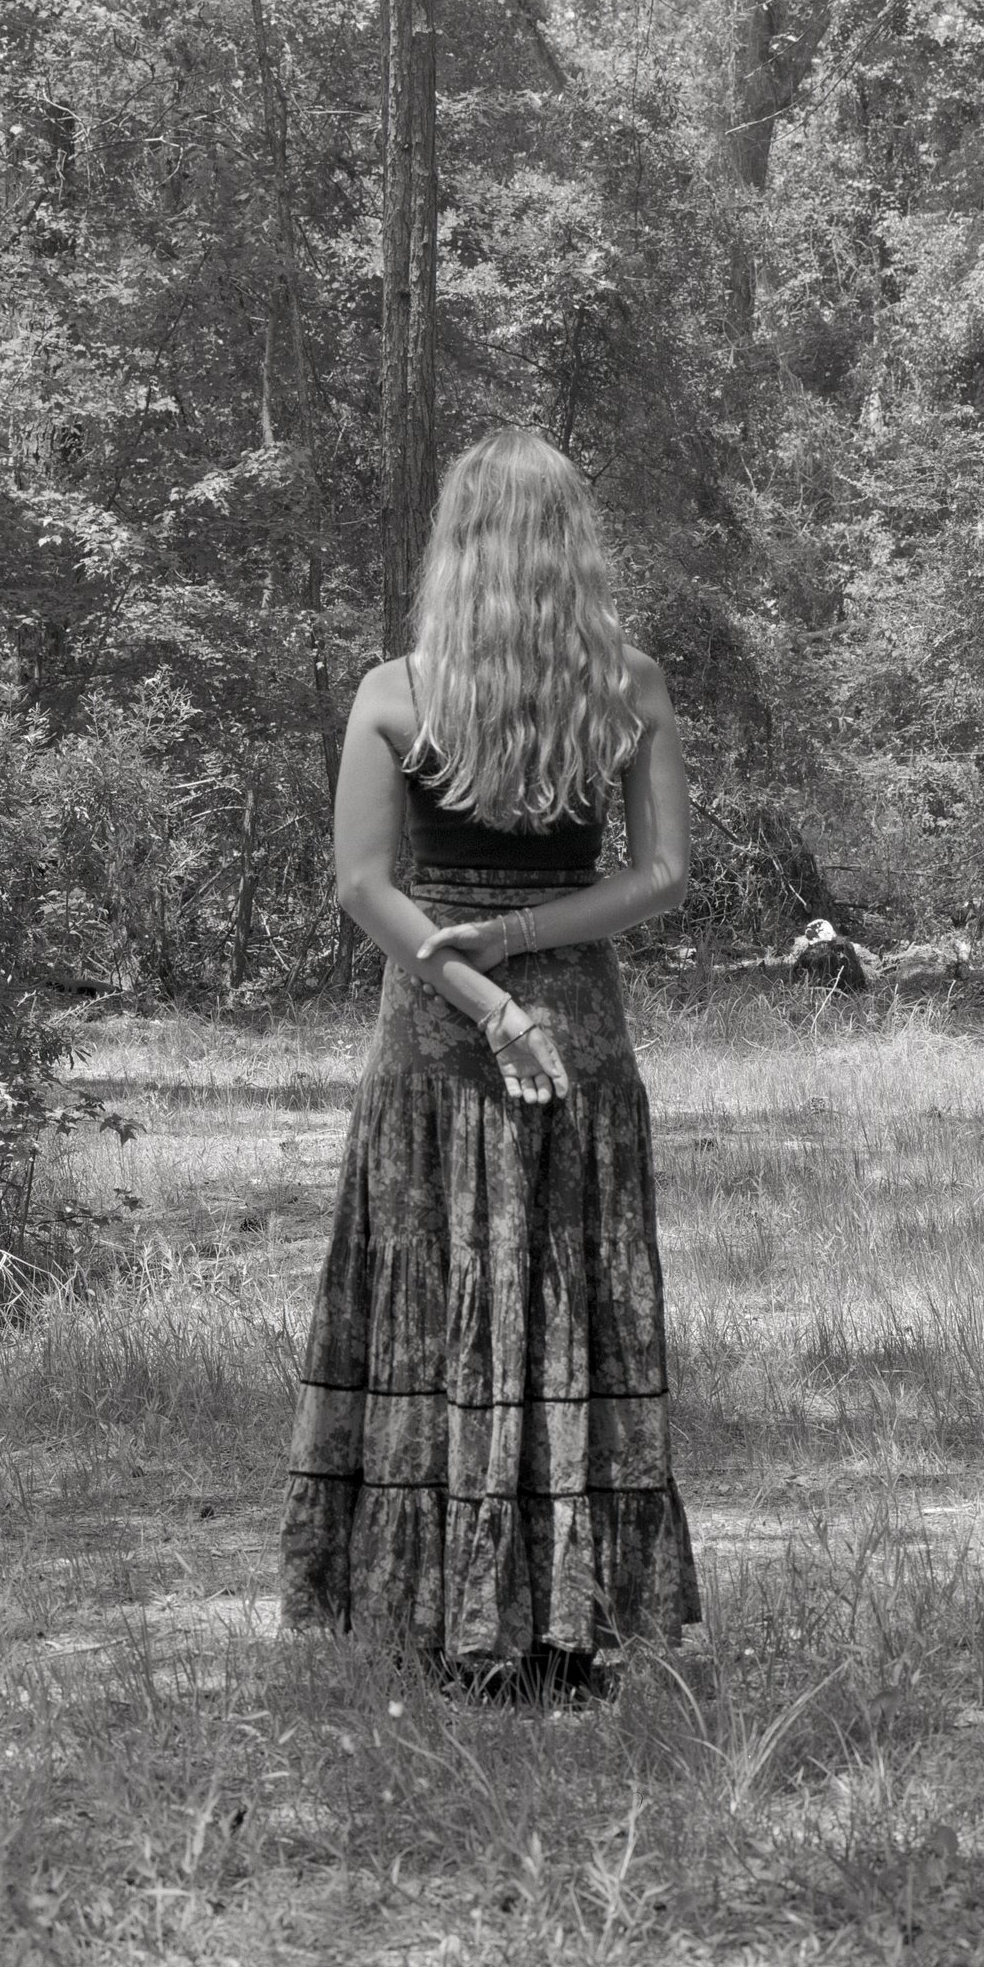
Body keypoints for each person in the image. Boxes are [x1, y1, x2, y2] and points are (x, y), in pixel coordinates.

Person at [279, 425, 702, 1697]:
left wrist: (476, 987)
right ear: (571, 545)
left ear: (455, 545)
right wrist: (523, 967)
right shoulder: (625, 683)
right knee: (567, 1306)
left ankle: (436, 1617)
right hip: (576, 1024)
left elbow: (363, 883)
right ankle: (568, 1631)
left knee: (434, 1304)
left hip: (433, 1028)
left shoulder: (395, 690)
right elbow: (662, 875)